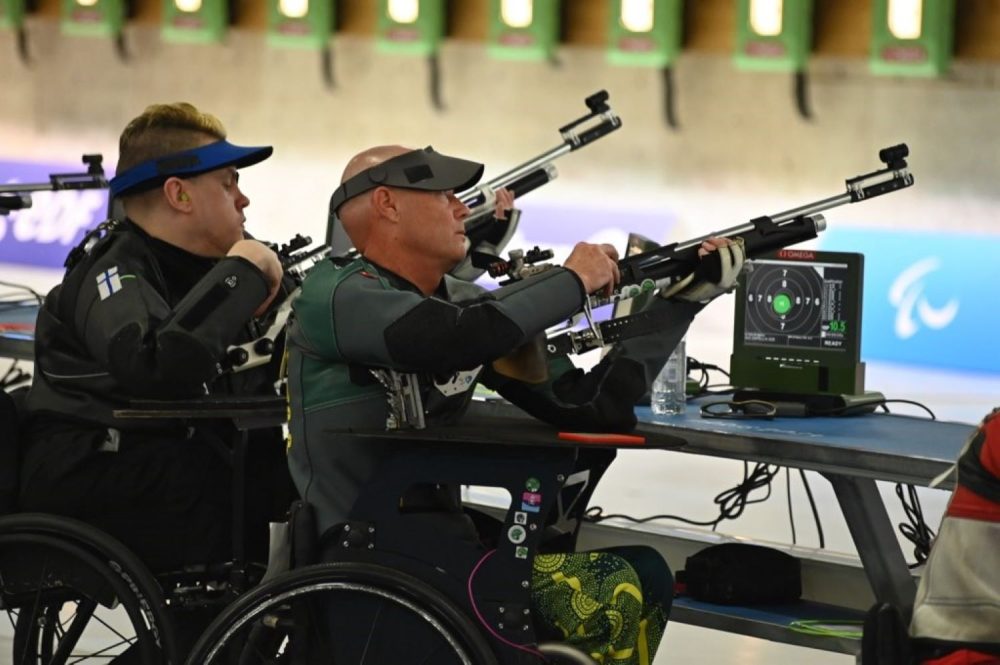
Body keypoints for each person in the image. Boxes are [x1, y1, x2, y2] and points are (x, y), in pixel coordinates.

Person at [285, 144, 745, 664]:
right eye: (443, 196)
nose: (463, 210)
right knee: (619, 585)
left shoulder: (461, 307)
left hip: (437, 554)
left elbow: (588, 405)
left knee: (641, 572)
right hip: (364, 559)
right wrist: (571, 282)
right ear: (388, 204)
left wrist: (679, 304)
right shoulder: (337, 293)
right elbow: (453, 338)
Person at [19, 102, 295, 659]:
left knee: (282, 482)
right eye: (228, 182)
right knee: (250, 505)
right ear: (180, 194)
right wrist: (243, 270)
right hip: (92, 469)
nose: (243, 199)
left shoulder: (190, 268)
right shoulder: (114, 267)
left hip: (152, 460)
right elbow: (154, 367)